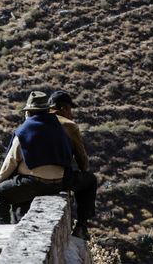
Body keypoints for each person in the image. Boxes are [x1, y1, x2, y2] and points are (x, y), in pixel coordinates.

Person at [0, 91, 73, 225]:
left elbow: (12, 160)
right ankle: (19, 224)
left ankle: (1, 231)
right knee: (20, 190)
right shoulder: (58, 126)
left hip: (36, 183)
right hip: (58, 184)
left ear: (29, 112)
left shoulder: (26, 129)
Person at [48, 90, 96, 240]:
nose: (71, 114)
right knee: (90, 180)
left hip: (32, 176)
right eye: (70, 109)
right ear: (63, 108)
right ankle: (81, 226)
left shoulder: (36, 120)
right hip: (59, 178)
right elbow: (82, 158)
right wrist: (84, 171)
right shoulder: (69, 125)